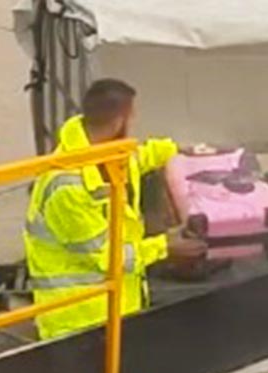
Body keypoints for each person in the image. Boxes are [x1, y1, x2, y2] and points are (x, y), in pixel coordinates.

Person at [23, 78, 201, 340]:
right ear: (122, 119)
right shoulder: (68, 189)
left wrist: (177, 150)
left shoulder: (107, 151)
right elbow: (108, 258)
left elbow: (139, 157)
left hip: (116, 306)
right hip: (79, 321)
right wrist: (165, 246)